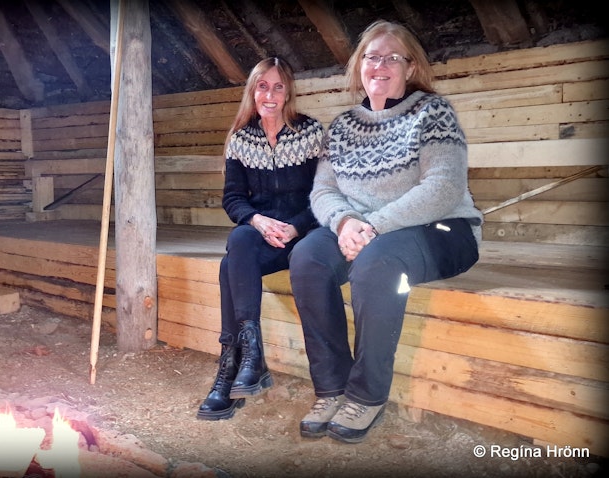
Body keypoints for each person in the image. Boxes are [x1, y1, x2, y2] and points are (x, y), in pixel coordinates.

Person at [288, 20, 483, 442]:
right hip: (361, 230)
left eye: (392, 57)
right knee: (306, 258)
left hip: (441, 230)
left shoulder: (433, 112)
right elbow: (322, 190)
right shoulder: (341, 127)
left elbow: (443, 189)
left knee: (379, 264)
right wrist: (345, 222)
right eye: (371, 57)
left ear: (410, 68)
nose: (380, 64)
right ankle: (331, 387)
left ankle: (367, 394)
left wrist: (372, 226)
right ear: (359, 66)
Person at [197, 57, 325, 420]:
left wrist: (296, 226)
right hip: (261, 237)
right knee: (239, 239)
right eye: (262, 86)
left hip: (304, 240)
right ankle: (246, 358)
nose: (270, 94)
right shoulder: (240, 140)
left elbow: (326, 195)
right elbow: (233, 198)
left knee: (229, 266)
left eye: (278, 86)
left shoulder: (311, 133)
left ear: (288, 93)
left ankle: (235, 368)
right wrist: (256, 221)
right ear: (253, 91)